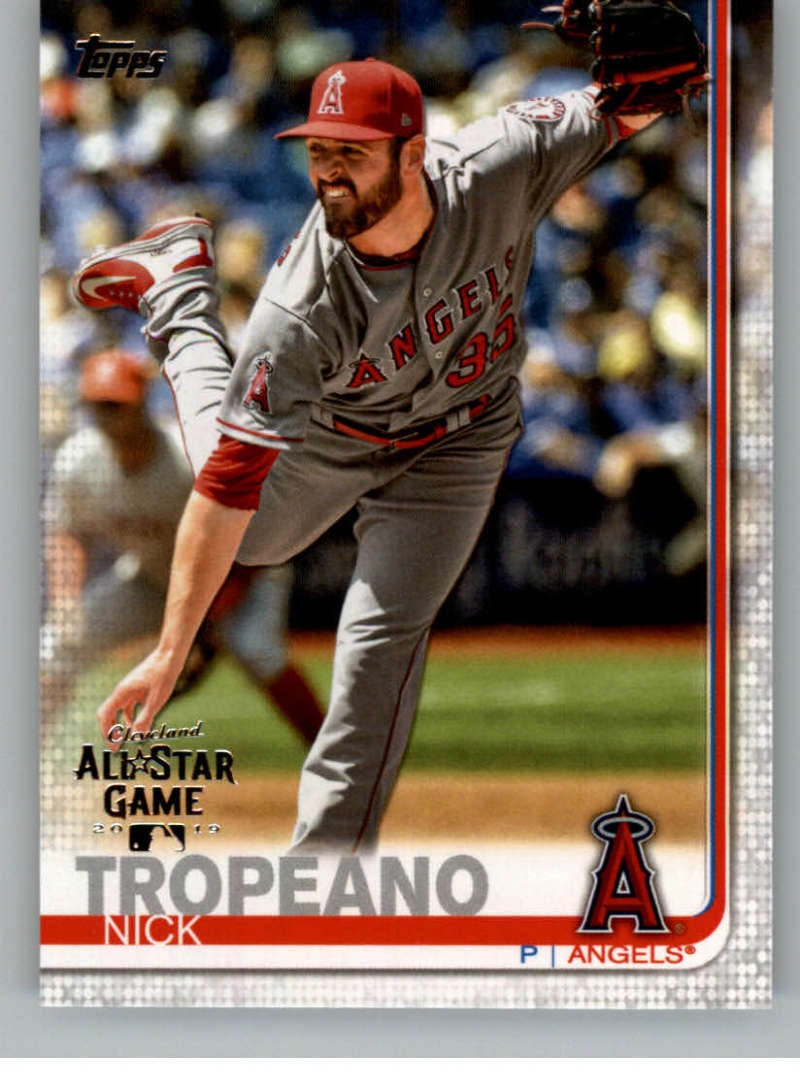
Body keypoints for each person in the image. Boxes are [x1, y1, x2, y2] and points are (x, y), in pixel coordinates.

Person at [72, 58, 660, 853]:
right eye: (319, 151)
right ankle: (179, 292)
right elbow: (226, 488)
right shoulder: (299, 305)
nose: (329, 172)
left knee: (377, 648)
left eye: (351, 151)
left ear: (413, 153)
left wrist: (676, 67)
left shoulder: (500, 162)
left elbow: (620, 104)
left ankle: (324, 877)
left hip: (463, 433)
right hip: (339, 433)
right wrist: (171, 651)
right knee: (253, 533)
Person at [41, 348, 324, 747]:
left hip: (242, 574)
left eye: (114, 405)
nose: (106, 416)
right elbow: (67, 531)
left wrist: (202, 621)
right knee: (57, 643)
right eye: (96, 406)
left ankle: (334, 758)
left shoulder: (187, 454)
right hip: (155, 577)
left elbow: (256, 531)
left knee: (255, 648)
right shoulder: (77, 462)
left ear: (140, 402)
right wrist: (65, 600)